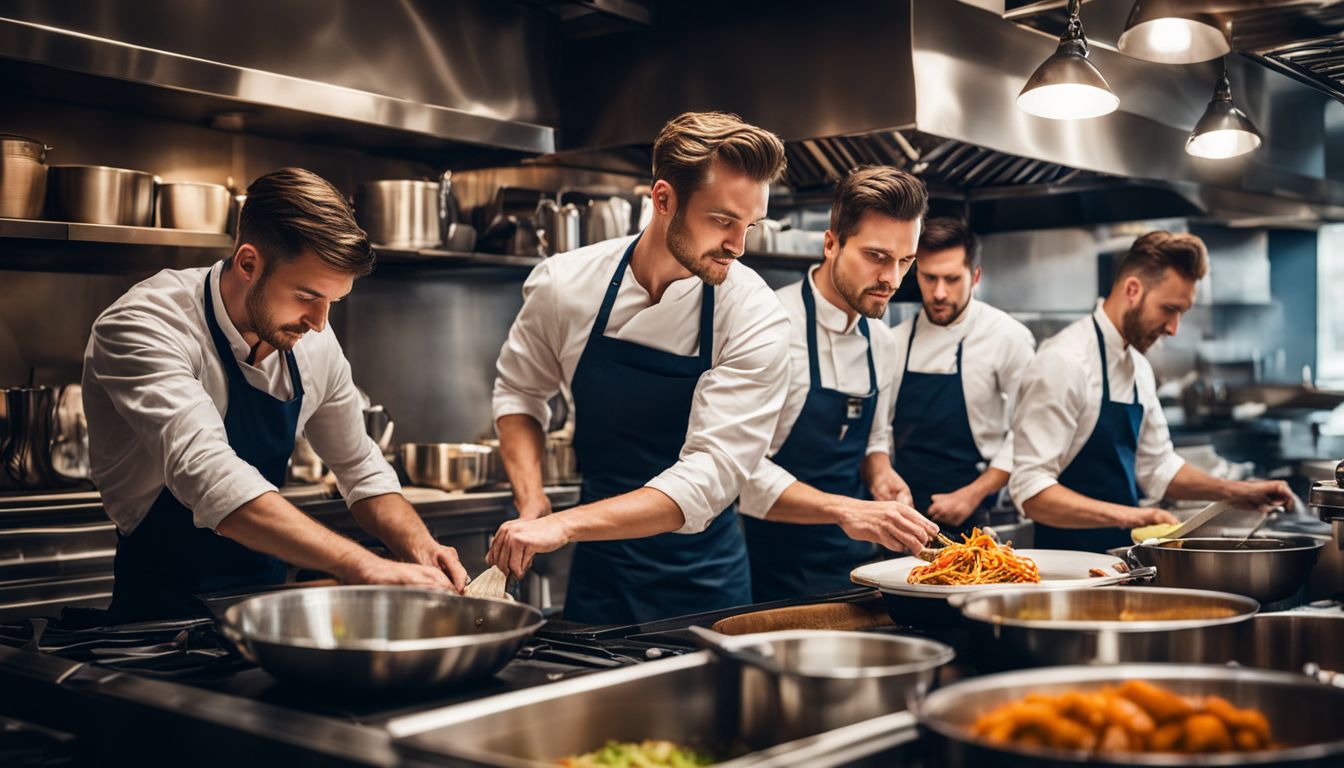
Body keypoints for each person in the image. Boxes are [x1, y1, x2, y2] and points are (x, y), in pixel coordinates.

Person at [83, 167, 468, 622]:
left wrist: (419, 545)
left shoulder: (311, 340)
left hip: (266, 616)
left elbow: (360, 466)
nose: (319, 323)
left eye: (332, 303)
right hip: (156, 623)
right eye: (306, 296)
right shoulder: (144, 325)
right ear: (248, 263)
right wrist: (363, 564)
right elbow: (211, 478)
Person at [488, 112, 792, 624]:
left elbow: (710, 474)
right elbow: (519, 392)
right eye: (722, 220)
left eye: (750, 225)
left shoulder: (755, 315)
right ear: (663, 199)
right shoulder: (566, 285)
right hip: (601, 574)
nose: (738, 247)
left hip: (705, 581)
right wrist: (532, 499)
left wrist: (565, 525)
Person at [1011, 231, 1293, 552]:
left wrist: (1237, 492)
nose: (1173, 328)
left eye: (1181, 313)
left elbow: (1158, 467)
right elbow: (1031, 491)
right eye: (1169, 309)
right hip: (1066, 566)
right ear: (1133, 290)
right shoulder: (1064, 361)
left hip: (1123, 561)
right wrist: (1132, 516)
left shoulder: (1138, 367)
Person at [739, 166, 938, 602]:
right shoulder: (769, 327)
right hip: (767, 570)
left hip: (855, 567)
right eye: (877, 256)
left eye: (906, 261)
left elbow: (875, 438)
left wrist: (881, 475)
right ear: (831, 244)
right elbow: (739, 469)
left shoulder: (881, 341)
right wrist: (845, 510)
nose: (893, 279)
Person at [888, 218, 1036, 538]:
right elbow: (880, 433)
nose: (939, 293)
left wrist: (973, 494)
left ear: (975, 277)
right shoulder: (895, 342)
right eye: (929, 278)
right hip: (906, 519)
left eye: (952, 279)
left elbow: (1030, 430)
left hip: (979, 517)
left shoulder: (1007, 337)